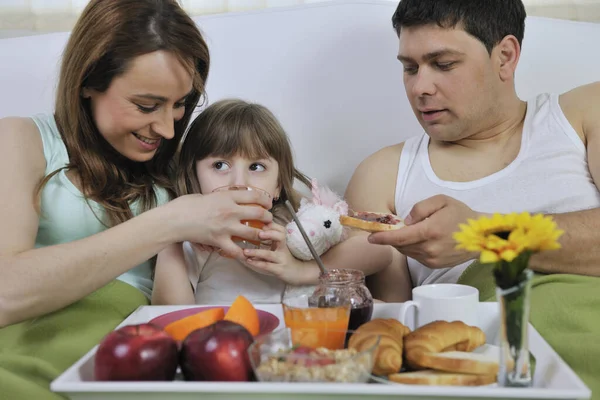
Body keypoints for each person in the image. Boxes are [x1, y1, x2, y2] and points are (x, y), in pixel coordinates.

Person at [0, 2, 273, 397]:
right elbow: (6, 292)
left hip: (135, 359)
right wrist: (170, 222)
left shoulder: (184, 167)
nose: (166, 128)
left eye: (180, 104)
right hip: (28, 351)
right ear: (88, 82)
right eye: (147, 105)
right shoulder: (23, 140)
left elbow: (300, 215)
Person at [342, 0, 600, 394]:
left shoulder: (581, 115)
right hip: (489, 367)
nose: (419, 87)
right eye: (409, 68)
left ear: (506, 56)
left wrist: (483, 235)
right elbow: (391, 341)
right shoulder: (383, 174)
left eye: (443, 64)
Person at [152, 98, 313, 305]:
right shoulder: (195, 239)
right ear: (194, 176)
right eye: (220, 165)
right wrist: (171, 241)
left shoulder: (297, 227)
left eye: (256, 167)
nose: (239, 183)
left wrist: (295, 264)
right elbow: (168, 314)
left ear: (278, 185)